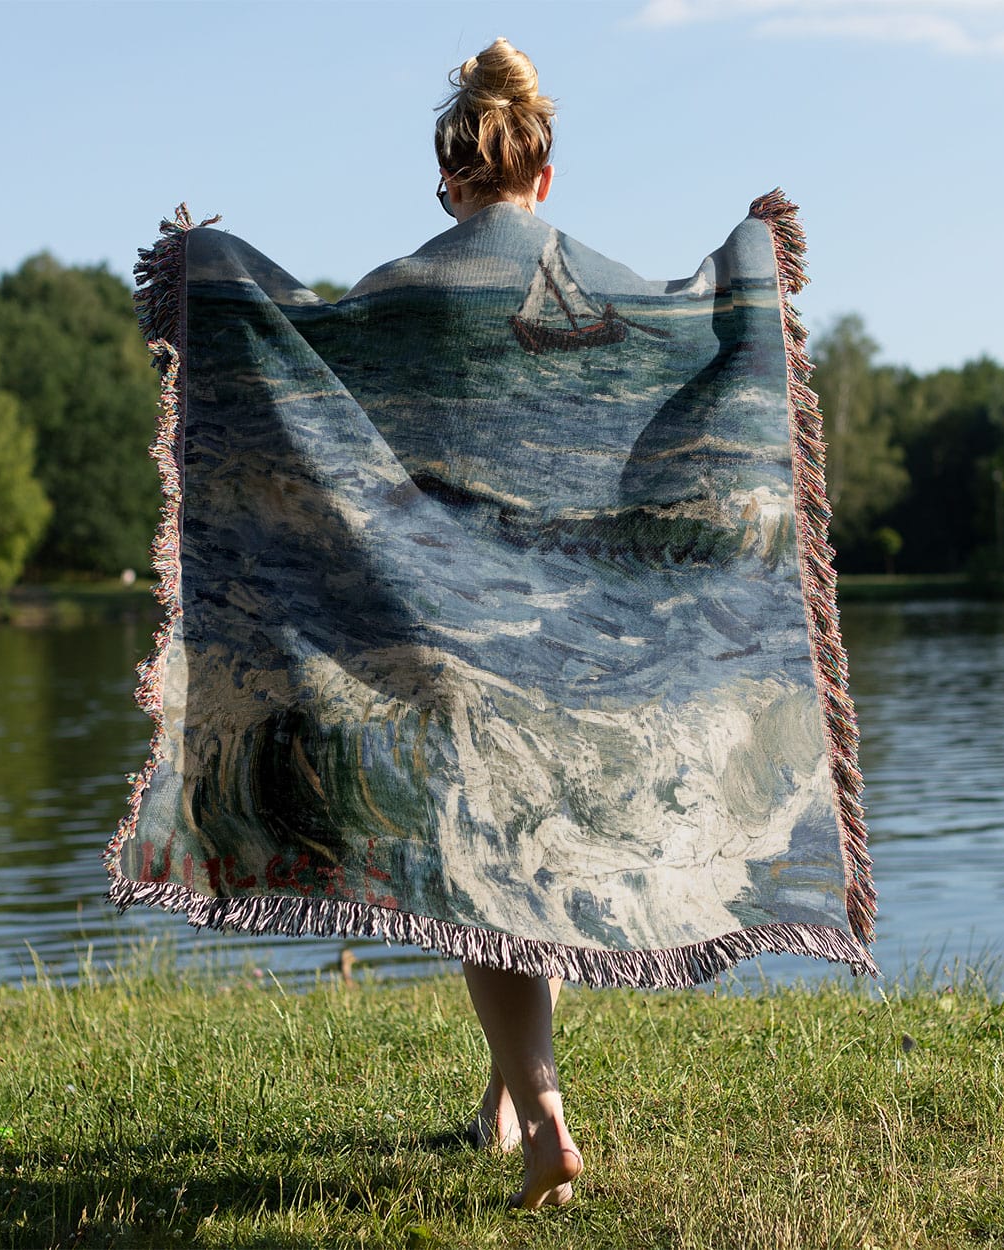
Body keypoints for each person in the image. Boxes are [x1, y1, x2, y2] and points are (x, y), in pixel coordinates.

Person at [432, 37, 583, 1212]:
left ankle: (542, 1117)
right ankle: (498, 1100)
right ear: (540, 174)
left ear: (451, 179)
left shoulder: (405, 286)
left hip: (445, 627)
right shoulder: (591, 283)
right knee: (524, 866)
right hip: (578, 635)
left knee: (481, 880)